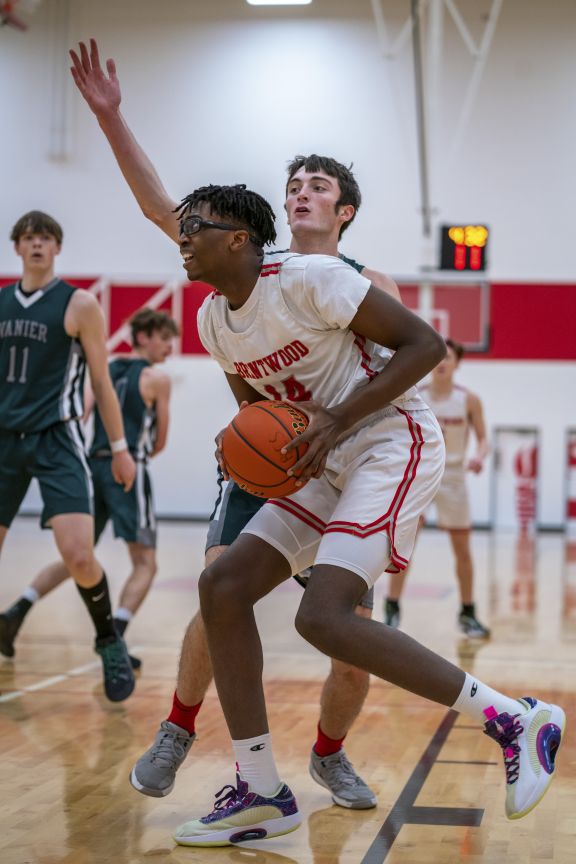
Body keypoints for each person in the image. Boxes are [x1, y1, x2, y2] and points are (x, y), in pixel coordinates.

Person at [170, 185, 563, 847]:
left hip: (389, 438)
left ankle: (514, 720)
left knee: (323, 615)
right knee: (223, 586)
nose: (181, 239)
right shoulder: (213, 320)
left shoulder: (309, 280)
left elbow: (426, 345)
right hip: (325, 457)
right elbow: (256, 408)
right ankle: (261, 790)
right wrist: (243, 439)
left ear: (237, 237)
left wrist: (335, 421)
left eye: (194, 228)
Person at [69, 38, 403, 810]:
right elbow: (163, 210)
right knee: (220, 586)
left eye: (318, 184)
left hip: (347, 468)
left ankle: (329, 753)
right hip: (267, 458)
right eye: (294, 183)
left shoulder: (368, 284)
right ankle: (180, 727)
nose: (301, 191)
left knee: (347, 633)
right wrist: (113, 119)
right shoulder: (251, 263)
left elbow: (407, 381)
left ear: (344, 210)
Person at [0, 210, 137, 702]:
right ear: (17, 247)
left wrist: (120, 448)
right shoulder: (0, 302)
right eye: (29, 238)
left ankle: (108, 641)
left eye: (46, 238)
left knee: (79, 556)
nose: (37, 245)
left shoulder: (79, 303)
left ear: (57, 247)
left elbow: (101, 381)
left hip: (56, 439)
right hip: (2, 438)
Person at [0, 307, 178, 667]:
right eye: (164, 338)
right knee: (146, 563)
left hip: (91, 466)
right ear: (144, 336)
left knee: (77, 557)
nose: (169, 348)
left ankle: (17, 611)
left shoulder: (107, 370)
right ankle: (116, 639)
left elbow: (80, 412)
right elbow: (160, 440)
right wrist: (130, 457)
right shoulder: (158, 379)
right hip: (129, 466)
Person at [384, 338, 491, 638]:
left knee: (462, 550)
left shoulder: (469, 399)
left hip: (453, 477)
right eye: (439, 357)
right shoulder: (415, 396)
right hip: (420, 475)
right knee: (403, 545)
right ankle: (392, 608)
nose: (443, 362)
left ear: (458, 363)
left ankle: (468, 613)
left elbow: (484, 439)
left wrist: (479, 457)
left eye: (449, 358)